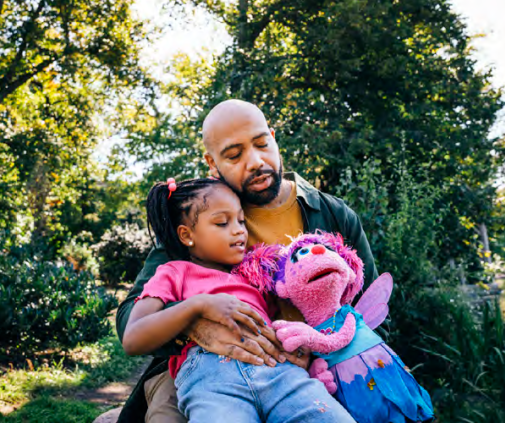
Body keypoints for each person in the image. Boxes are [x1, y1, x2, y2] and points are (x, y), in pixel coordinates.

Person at [116, 99, 378, 422]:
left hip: (299, 374)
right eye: (234, 155)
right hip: (203, 371)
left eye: (261, 143)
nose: (255, 161)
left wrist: (321, 352)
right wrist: (195, 321)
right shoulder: (204, 216)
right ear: (212, 164)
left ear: (273, 137)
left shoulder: (333, 214)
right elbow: (130, 318)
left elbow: (373, 309)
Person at [123, 177, 356, 423]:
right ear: (186, 235)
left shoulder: (255, 274)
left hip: (277, 372)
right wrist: (197, 306)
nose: (239, 230)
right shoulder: (173, 272)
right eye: (222, 223)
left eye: (242, 221)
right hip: (211, 379)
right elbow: (133, 339)